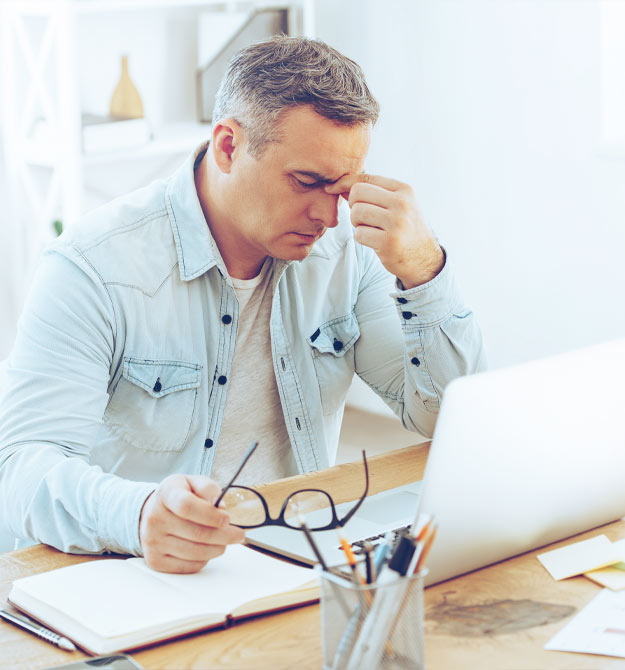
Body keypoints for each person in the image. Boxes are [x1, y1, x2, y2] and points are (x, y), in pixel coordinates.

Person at [0, 36, 485, 573]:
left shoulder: (347, 252)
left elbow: (441, 415)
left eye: (343, 189)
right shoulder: (91, 267)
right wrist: (136, 514)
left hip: (294, 560)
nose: (328, 214)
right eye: (307, 181)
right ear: (228, 145)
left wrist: (423, 270)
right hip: (133, 568)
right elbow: (22, 469)